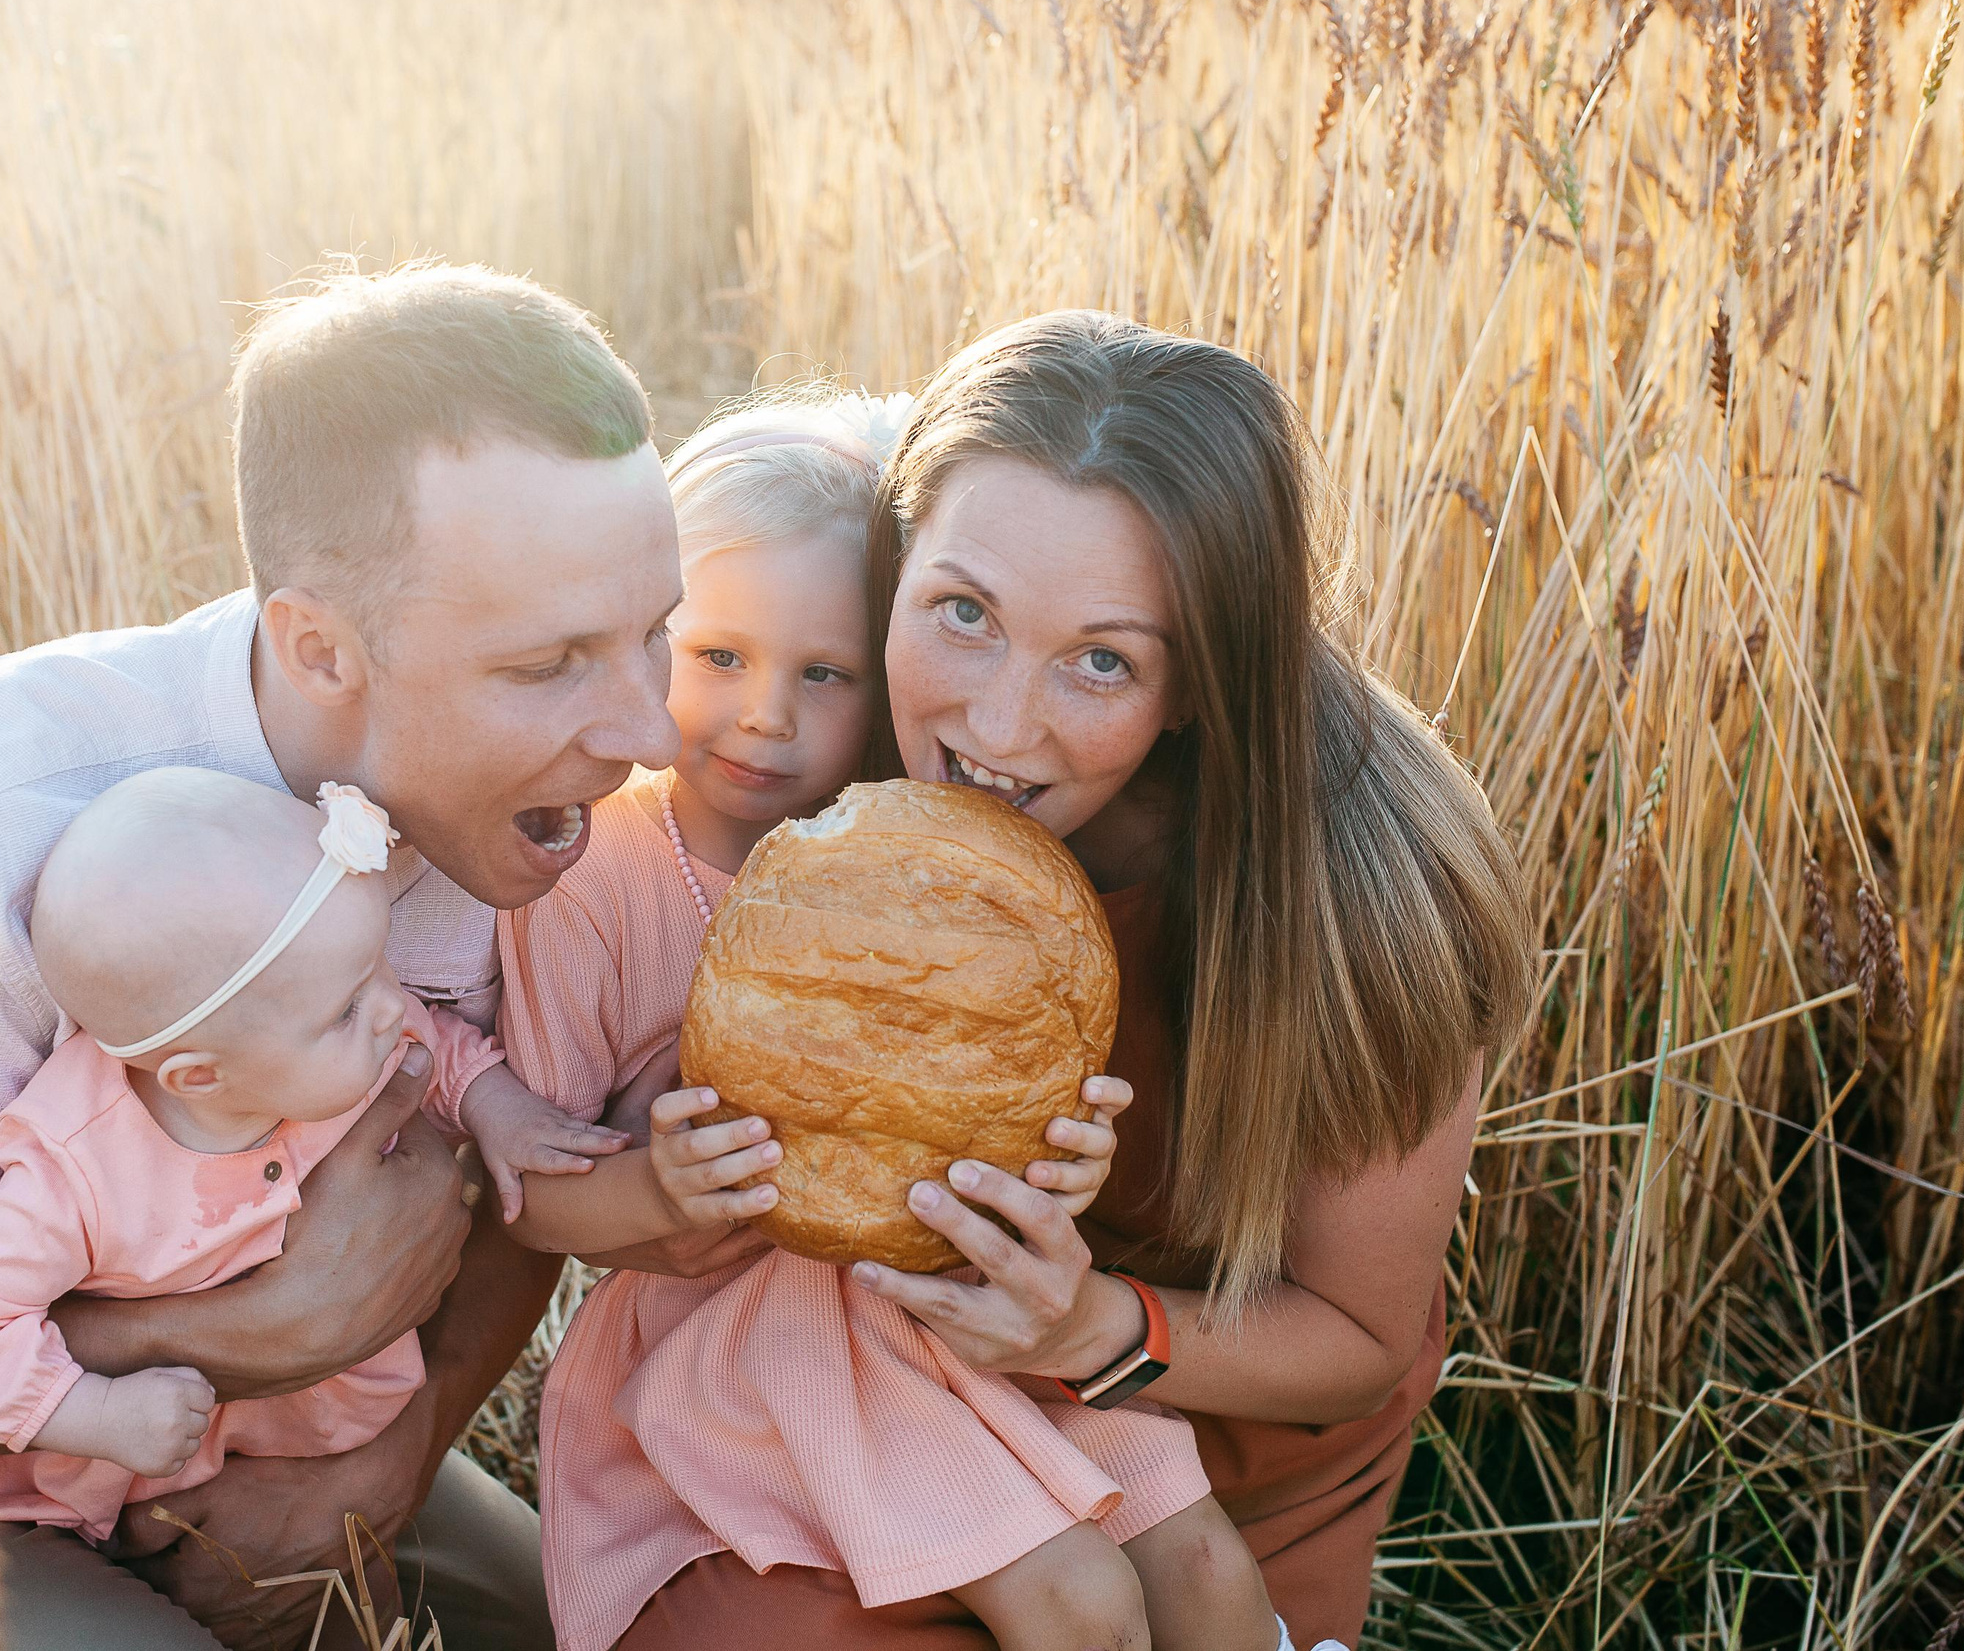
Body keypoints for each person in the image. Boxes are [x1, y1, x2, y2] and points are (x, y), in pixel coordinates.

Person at [0, 261, 682, 1650]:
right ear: (321, 647)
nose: (649, 733)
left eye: (657, 631)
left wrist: (389, 1462)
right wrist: (252, 1329)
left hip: (287, 1440)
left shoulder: (541, 820)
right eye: (554, 662)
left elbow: (523, 1167)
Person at [613, 312, 1536, 1650]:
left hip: (1213, 1423)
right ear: (899, 568)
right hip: (894, 1376)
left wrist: (1091, 1322)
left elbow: (1357, 1333)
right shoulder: (830, 727)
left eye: (1103, 659)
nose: (995, 727)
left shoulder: (1373, 889)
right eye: (963, 612)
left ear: (1202, 678)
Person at [457, 396, 1288, 1651]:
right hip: (756, 1344)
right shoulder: (596, 880)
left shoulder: (919, 843)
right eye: (717, 655)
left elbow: (978, 1102)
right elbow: (539, 1198)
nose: (767, 716)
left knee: (1212, 1583)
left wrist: (1057, 1162)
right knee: (1085, 1610)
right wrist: (662, 1186)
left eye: (823, 672)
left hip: (946, 1301)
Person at [0, 773, 559, 1543]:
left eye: (378, 964)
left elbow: (429, 1041)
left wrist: (495, 1106)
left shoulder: (325, 1041)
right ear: (199, 1076)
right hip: (63, 1511)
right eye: (346, 1006)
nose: (389, 1006)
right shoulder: (83, 1173)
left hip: (289, 1461)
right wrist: (90, 1412)